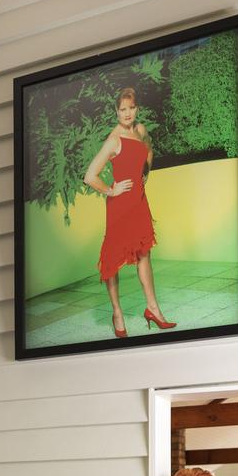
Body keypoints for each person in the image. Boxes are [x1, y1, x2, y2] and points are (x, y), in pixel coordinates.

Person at [83, 87, 177, 339]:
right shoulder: (114, 140)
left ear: (137, 108)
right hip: (120, 206)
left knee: (144, 254)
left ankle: (153, 309)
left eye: (131, 108)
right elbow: (90, 176)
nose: (127, 113)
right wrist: (111, 191)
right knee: (113, 260)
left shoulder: (141, 130)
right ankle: (117, 313)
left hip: (139, 202)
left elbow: (148, 151)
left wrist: (145, 173)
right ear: (116, 111)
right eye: (122, 109)